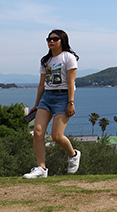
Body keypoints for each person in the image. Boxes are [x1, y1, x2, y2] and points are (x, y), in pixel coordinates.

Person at [23, 30, 82, 178]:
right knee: (37, 132)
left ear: (62, 40)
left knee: (57, 136)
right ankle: (41, 169)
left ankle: (73, 155)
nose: (51, 41)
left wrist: (71, 102)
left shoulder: (69, 57)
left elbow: (70, 82)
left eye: (55, 39)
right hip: (47, 97)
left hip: (63, 97)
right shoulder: (45, 60)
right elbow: (42, 84)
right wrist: (36, 104)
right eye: (49, 39)